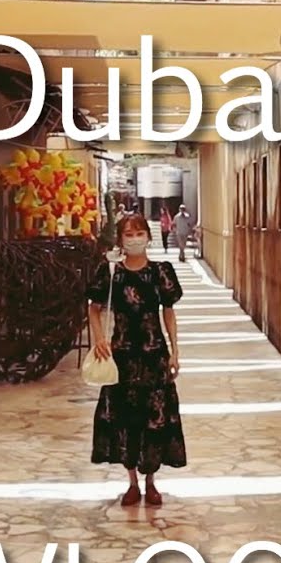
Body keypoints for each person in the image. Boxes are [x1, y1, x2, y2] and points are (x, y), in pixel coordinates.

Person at [86, 214, 185, 506]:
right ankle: (132, 483)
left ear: (148, 237)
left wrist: (175, 349)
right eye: (128, 234)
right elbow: (94, 308)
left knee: (155, 417)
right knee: (125, 418)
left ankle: (151, 481)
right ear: (120, 239)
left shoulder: (160, 272)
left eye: (139, 233)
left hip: (154, 355)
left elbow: (168, 311)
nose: (134, 239)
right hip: (122, 355)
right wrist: (99, 339)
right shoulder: (111, 272)